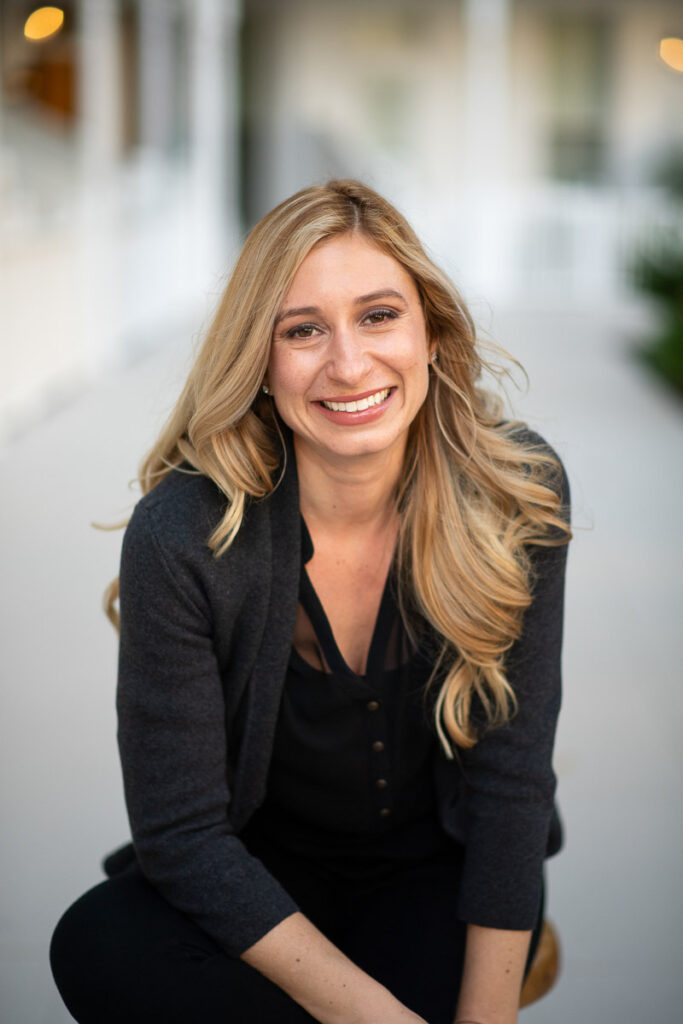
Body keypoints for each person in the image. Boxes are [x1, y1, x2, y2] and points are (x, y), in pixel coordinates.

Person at [50, 179, 571, 1024]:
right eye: (302, 330)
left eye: (377, 316)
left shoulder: (515, 490)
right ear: (259, 362)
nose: (348, 363)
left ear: (430, 333)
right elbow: (180, 834)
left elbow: (511, 784)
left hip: (436, 870)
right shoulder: (182, 532)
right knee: (97, 945)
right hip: (254, 868)